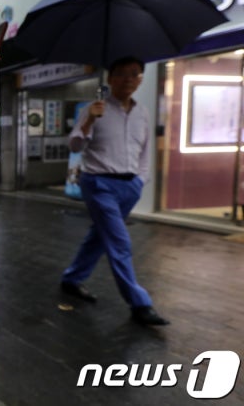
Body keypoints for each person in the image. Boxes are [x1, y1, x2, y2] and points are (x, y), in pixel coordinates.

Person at [60, 56, 169, 326]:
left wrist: (140, 180)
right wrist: (89, 120)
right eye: (121, 73)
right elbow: (75, 146)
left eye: (134, 74)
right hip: (99, 184)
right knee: (119, 241)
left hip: (130, 186)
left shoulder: (143, 113)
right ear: (110, 79)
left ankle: (72, 279)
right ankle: (139, 303)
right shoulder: (95, 109)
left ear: (140, 79)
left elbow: (144, 152)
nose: (128, 79)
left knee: (99, 236)